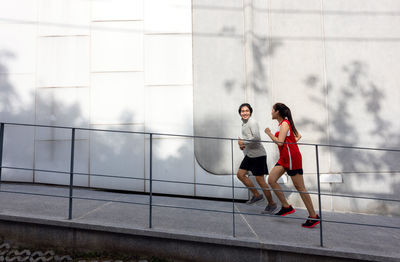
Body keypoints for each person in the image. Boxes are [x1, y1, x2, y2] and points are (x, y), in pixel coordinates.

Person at [264, 102, 320, 228]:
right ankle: (286, 206)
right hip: (284, 158)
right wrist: (290, 144)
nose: (271, 112)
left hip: (292, 159)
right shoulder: (282, 124)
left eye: (272, 110)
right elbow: (297, 136)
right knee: (271, 180)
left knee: (300, 187)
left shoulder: (284, 123)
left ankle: (313, 216)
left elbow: (279, 142)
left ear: (277, 111)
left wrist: (268, 133)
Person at [237, 103, 277, 214]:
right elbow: (250, 139)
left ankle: (272, 204)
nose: (245, 113)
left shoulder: (252, 122)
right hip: (250, 155)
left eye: (247, 111)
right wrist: (243, 145)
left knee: (261, 181)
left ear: (250, 112)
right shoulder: (244, 124)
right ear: (240, 113)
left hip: (259, 156)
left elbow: (256, 138)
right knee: (240, 174)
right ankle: (257, 195)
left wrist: (243, 142)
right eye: (242, 111)